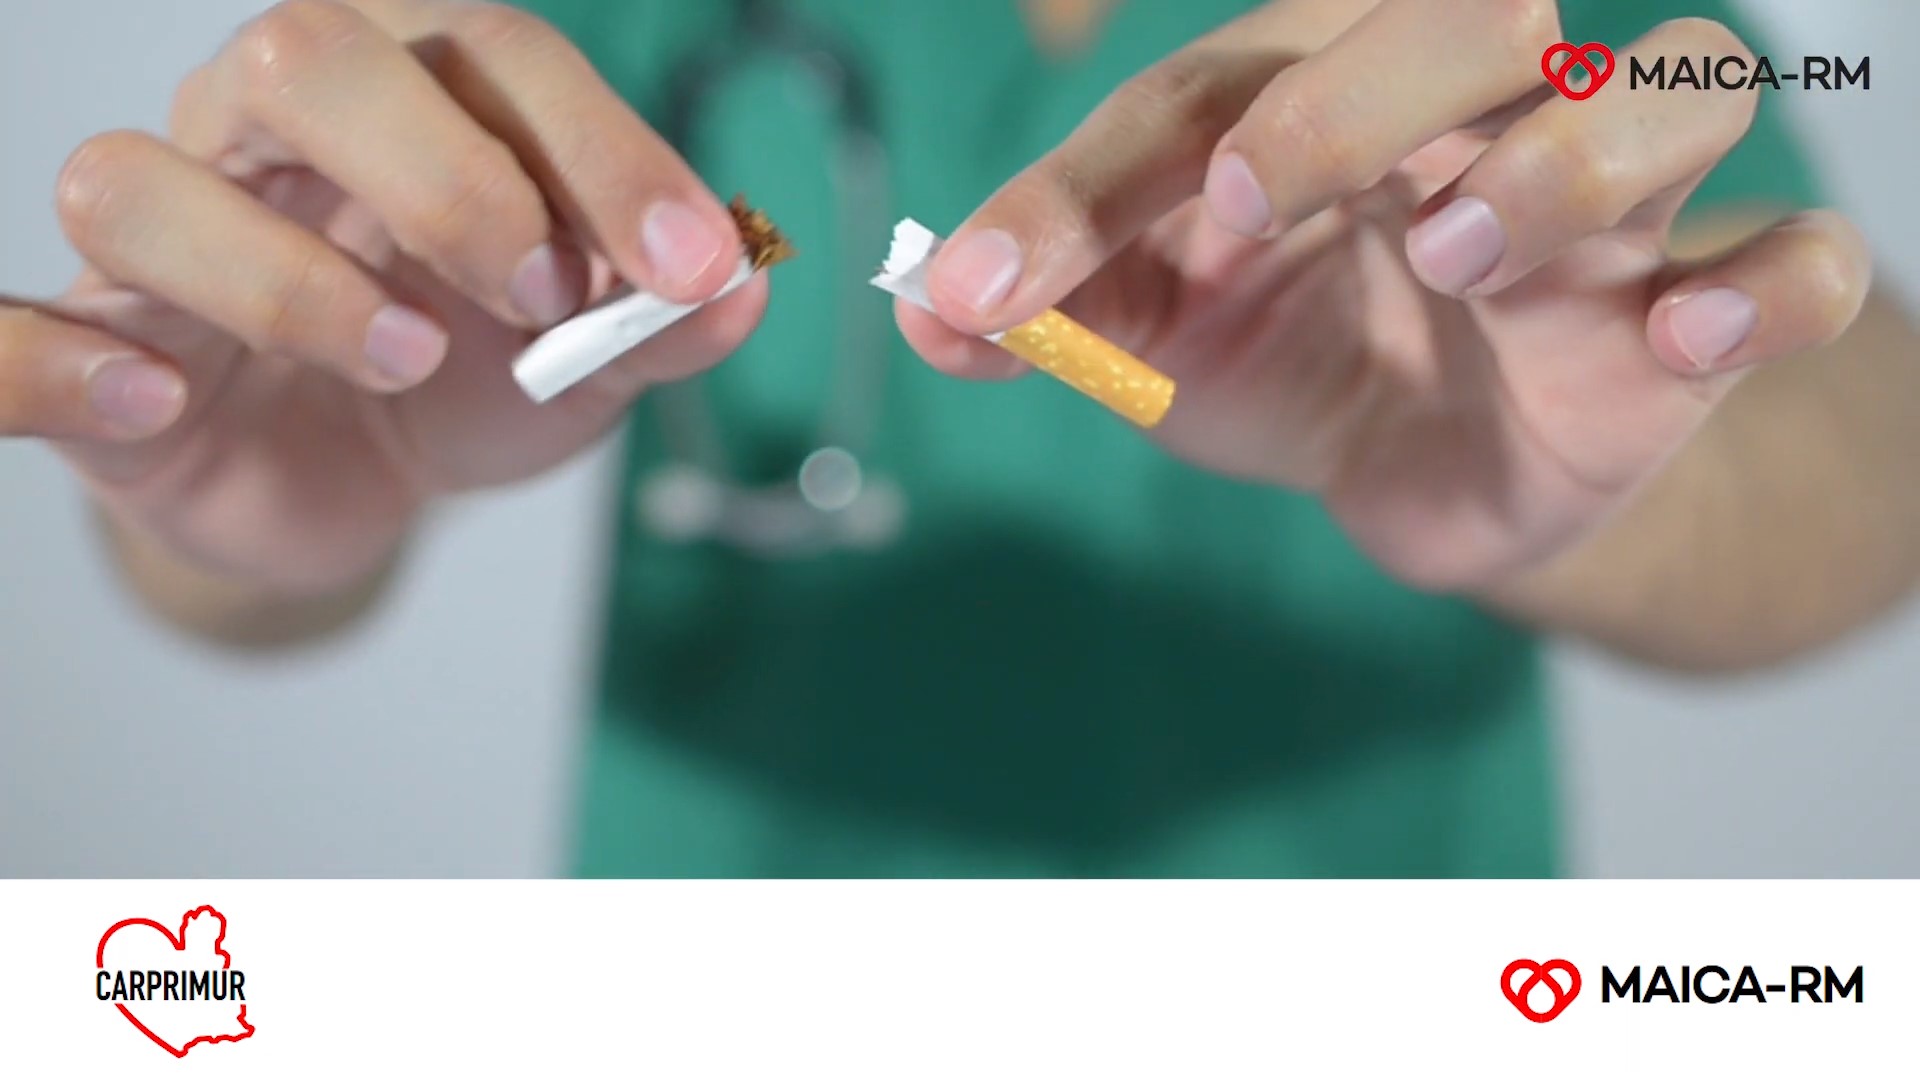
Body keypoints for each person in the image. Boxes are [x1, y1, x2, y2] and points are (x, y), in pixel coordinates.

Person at [4, 0, 1915, 876]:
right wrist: (231, 482)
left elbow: (1867, 441)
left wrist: (1561, 479)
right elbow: (218, 571)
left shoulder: (1540, 19)